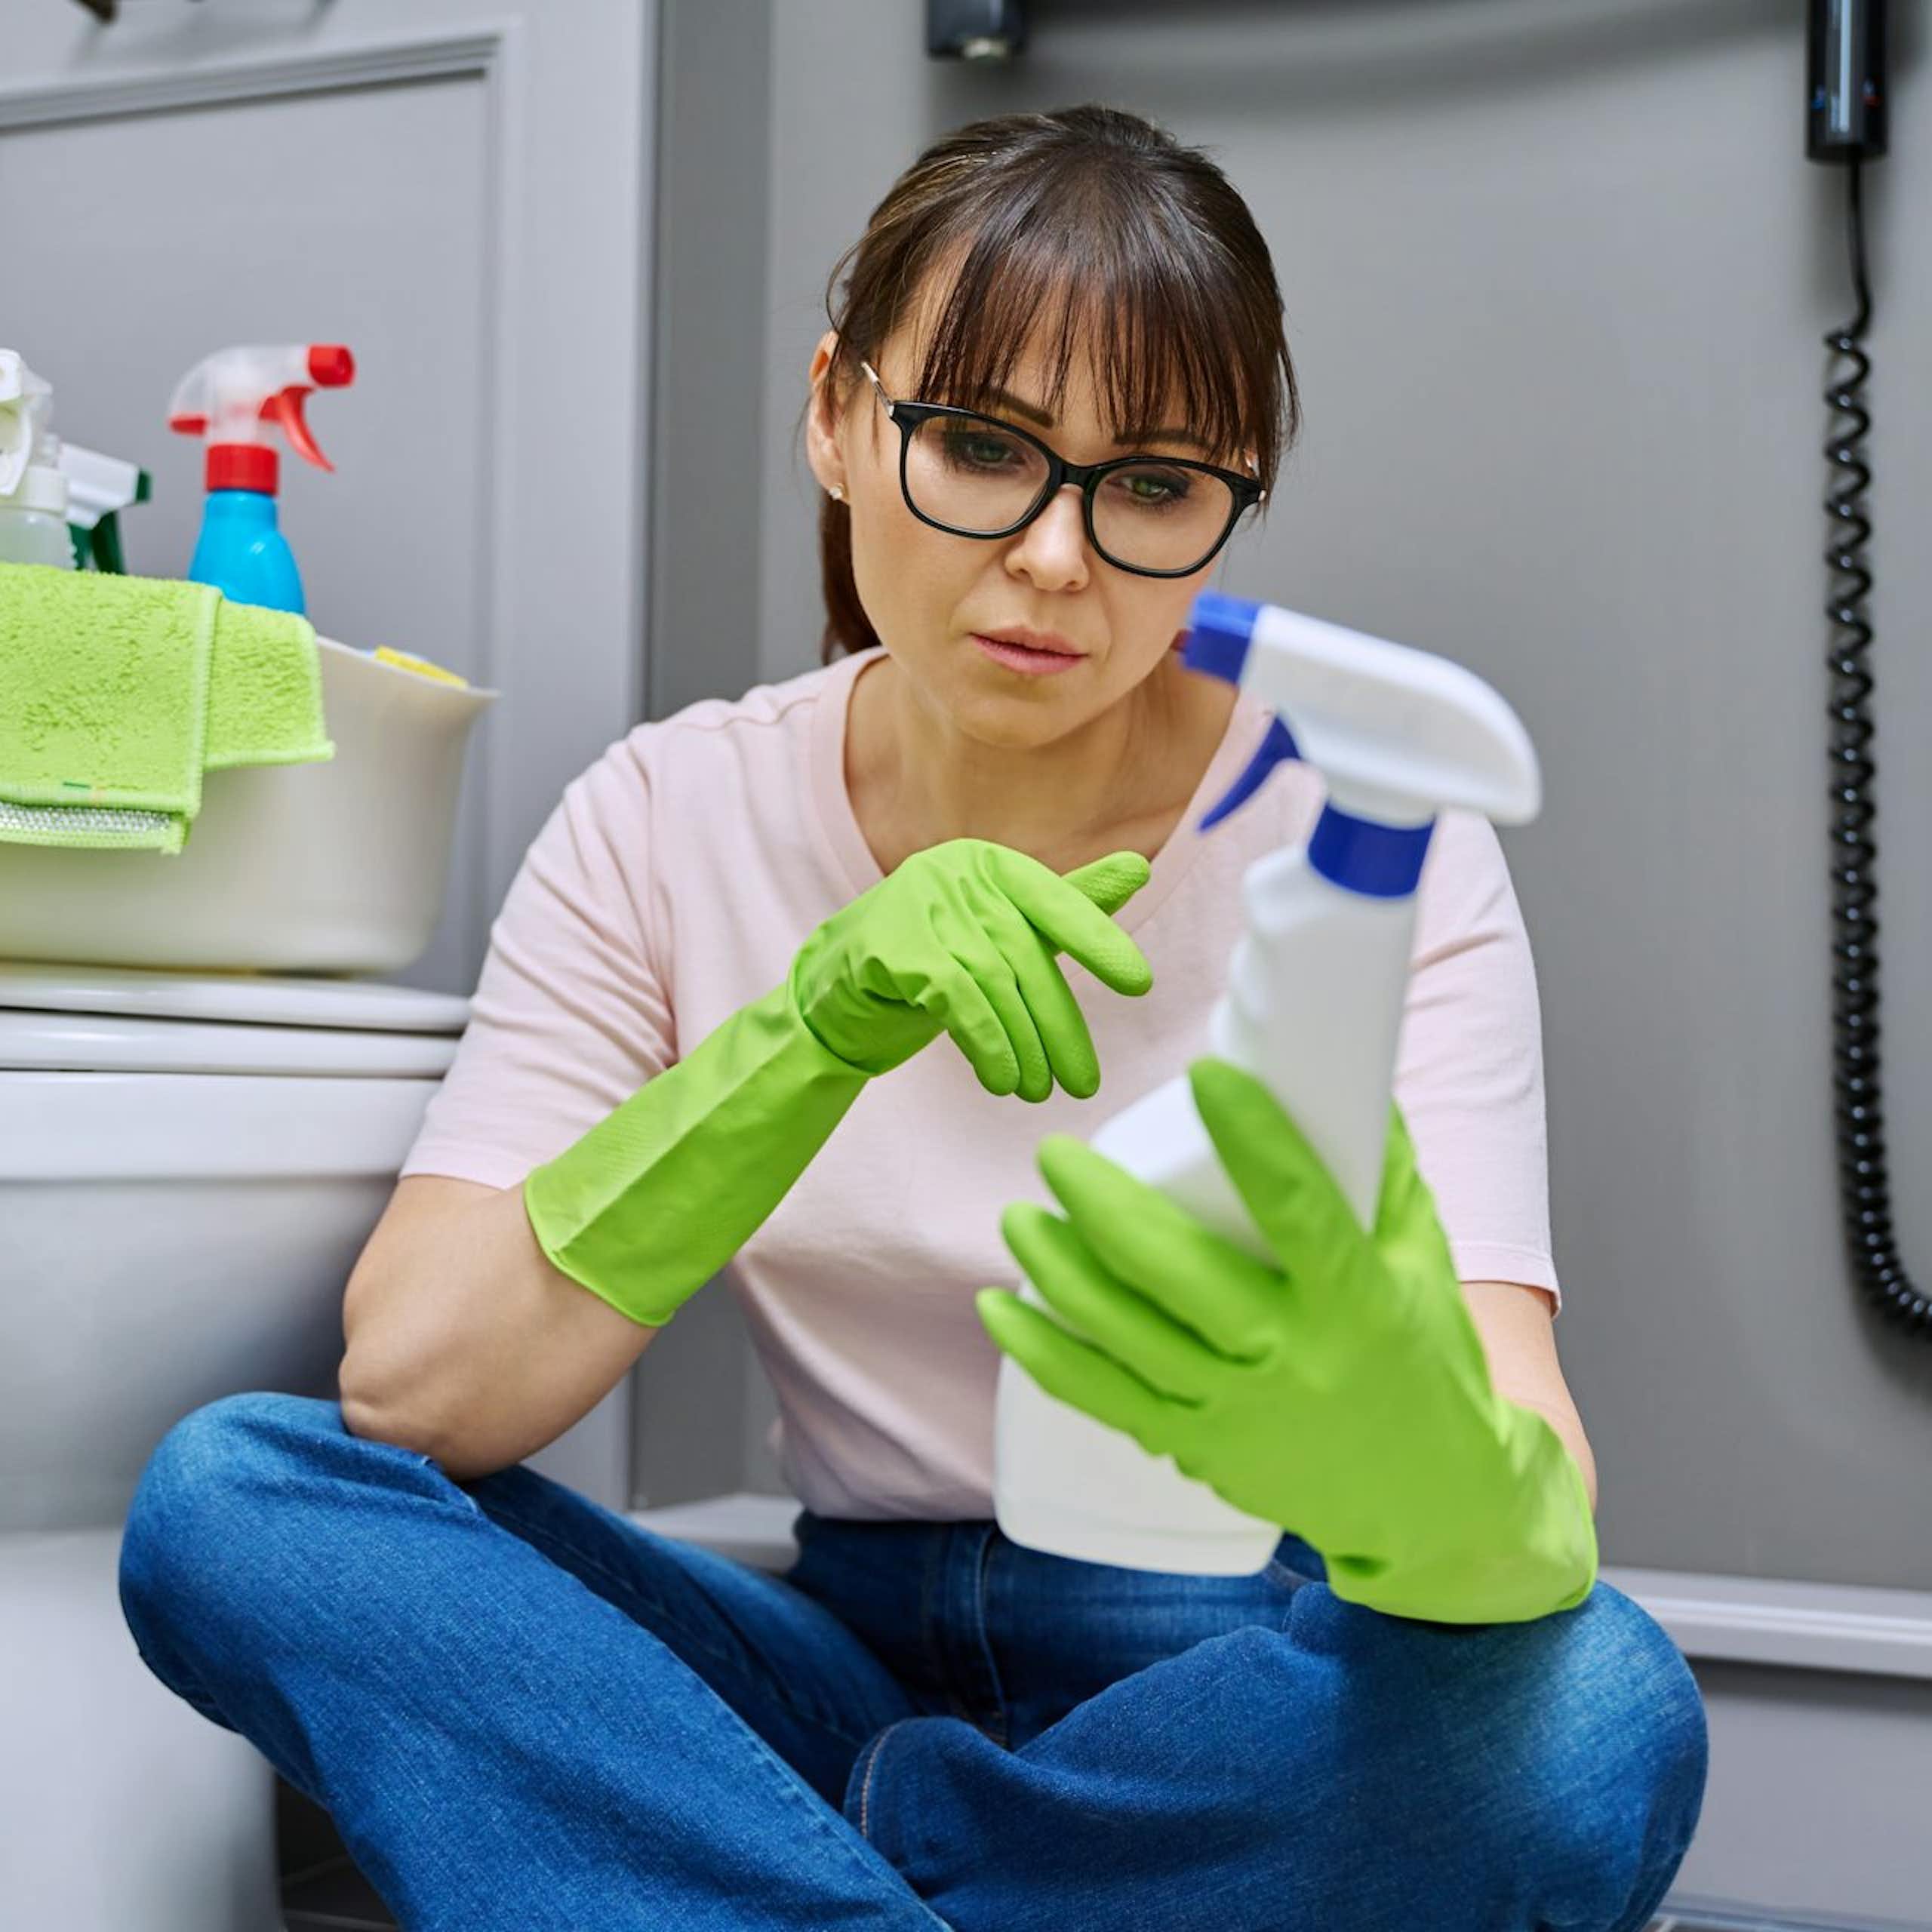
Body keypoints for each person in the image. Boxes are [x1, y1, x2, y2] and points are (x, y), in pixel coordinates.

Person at [118, 105, 1707, 1932]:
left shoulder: (1368, 845)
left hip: (1226, 1685)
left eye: (1155, 485)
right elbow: (416, 1386)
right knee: (233, 1497)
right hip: (825, 1654)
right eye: (976, 446)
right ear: (834, 413)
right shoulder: (664, 813)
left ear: (1230, 502)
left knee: (1593, 1706)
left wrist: (1407, 1446)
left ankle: (807, 1880)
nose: (1052, 557)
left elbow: (1535, 1501)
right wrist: (810, 1026)